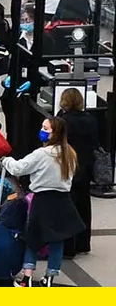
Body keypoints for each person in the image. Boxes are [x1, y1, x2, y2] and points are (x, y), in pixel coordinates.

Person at [1, 116, 84, 287]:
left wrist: (5, 160)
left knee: (33, 237)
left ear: (55, 134)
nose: (42, 131)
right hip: (62, 201)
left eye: (46, 129)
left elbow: (19, 168)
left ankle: (27, 278)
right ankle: (50, 277)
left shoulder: (41, 154)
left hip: (42, 199)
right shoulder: (70, 153)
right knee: (57, 239)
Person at [57, 88, 97, 259]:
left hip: (68, 167)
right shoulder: (90, 119)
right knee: (84, 205)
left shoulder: (63, 121)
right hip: (86, 166)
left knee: (68, 206)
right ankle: (83, 242)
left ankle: (68, 246)